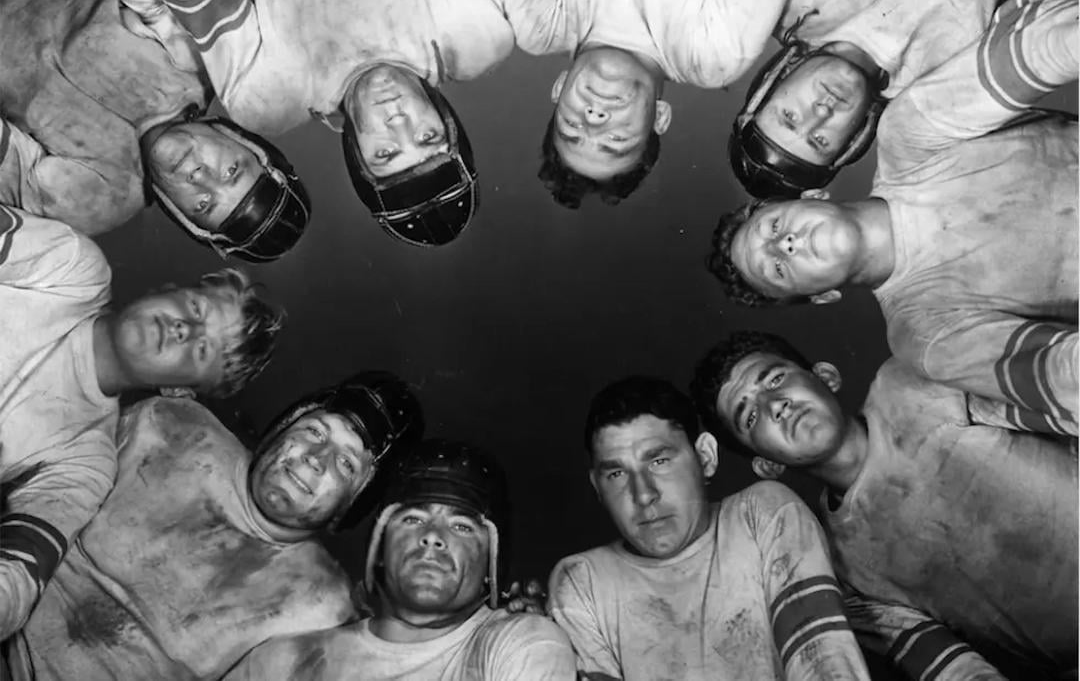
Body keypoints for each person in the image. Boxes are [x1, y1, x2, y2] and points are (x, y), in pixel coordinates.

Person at [708, 0, 1079, 431]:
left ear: (815, 196)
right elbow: (1061, 374)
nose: (787, 244)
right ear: (822, 298)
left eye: (773, 229)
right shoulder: (924, 337)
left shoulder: (911, 130)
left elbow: (1042, 48)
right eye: (777, 269)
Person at [691, 330, 1078, 679]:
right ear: (767, 464)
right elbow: (953, 669)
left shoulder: (917, 386)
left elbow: (1065, 397)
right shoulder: (842, 570)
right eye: (750, 415)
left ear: (826, 376)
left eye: (775, 379)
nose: (776, 404)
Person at [125, 0, 513, 247]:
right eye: (427, 137)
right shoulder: (469, 36)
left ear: (357, 156)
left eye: (385, 153)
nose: (398, 123)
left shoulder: (271, 93)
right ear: (448, 122)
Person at [7, 371, 424, 679]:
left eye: (347, 463)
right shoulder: (172, 425)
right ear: (285, 425)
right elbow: (35, 488)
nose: (317, 457)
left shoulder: (322, 605)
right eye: (315, 430)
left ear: (350, 507)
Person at [0, 204, 283, 640]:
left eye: (203, 351)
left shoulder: (85, 461)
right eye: (196, 307)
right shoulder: (73, 268)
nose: (185, 328)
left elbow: (16, 582)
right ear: (167, 288)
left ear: (179, 393)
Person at [0, 0, 310, 262]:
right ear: (241, 141)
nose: (200, 177)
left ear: (183, 218)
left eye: (204, 205)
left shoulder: (98, 201)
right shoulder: (196, 61)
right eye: (231, 170)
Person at [497, 0, 853, 207]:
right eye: (615, 140)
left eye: (571, 128)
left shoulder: (540, 22)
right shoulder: (711, 56)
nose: (594, 119)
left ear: (559, 89)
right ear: (661, 117)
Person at [547, 376, 871, 680]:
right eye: (616, 474)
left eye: (659, 461)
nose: (643, 494)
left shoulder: (760, 514)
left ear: (705, 457)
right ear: (597, 487)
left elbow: (826, 662)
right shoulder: (581, 580)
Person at [727, 0, 1050, 196]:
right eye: (820, 141)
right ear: (854, 142)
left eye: (790, 117)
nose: (820, 113)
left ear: (771, 85)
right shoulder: (940, 83)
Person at [220, 438, 576, 680]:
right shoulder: (279, 663)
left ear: (492, 563)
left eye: (462, 526)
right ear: (379, 545)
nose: (434, 536)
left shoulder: (520, 644)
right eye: (413, 519)